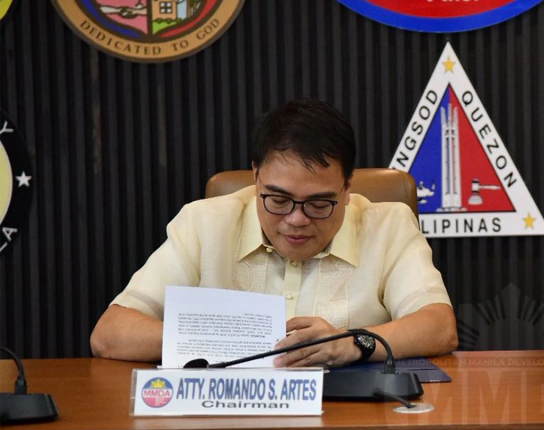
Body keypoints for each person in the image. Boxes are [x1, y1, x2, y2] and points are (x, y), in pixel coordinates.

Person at [90, 99, 457, 366]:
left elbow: (439, 326)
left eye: (319, 203)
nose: (296, 220)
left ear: (347, 188)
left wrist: (354, 343)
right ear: (256, 177)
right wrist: (225, 340)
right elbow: (110, 334)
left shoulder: (389, 225)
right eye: (278, 200)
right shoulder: (204, 224)